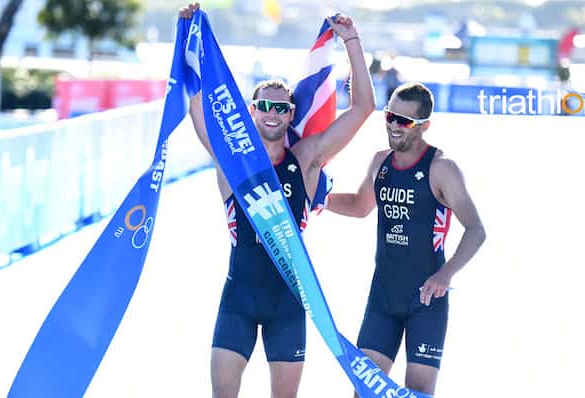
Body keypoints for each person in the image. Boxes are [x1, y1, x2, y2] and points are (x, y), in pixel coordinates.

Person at [179, 3, 375, 397]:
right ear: (251, 112)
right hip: (239, 297)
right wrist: (187, 35)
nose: (272, 114)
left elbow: (364, 108)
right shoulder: (234, 164)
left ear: (291, 115)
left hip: (288, 300)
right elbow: (197, 104)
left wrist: (351, 41)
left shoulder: (306, 160)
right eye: (264, 106)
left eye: (280, 108)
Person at [326, 82, 486, 395]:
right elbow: (360, 207)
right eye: (390, 116)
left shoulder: (441, 168)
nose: (394, 126)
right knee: (364, 390)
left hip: (426, 301)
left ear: (424, 126)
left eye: (404, 121)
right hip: (383, 296)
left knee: (418, 392)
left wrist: (445, 274)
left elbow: (476, 229)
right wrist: (318, 200)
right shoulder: (379, 162)